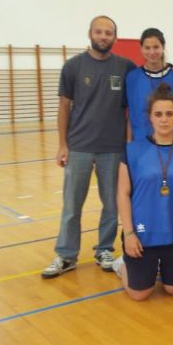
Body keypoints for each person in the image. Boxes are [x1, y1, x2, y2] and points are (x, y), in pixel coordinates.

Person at [41, 16, 136, 279]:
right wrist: (62, 144)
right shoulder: (73, 67)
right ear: (90, 33)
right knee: (72, 205)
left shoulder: (126, 67)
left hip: (113, 148)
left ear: (115, 37)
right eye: (99, 31)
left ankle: (104, 249)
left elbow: (151, 78)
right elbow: (63, 106)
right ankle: (66, 255)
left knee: (111, 205)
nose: (103, 36)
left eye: (108, 32)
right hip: (79, 147)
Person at [113, 84, 173, 300]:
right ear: (150, 117)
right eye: (158, 114)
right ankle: (123, 266)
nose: (164, 119)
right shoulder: (132, 150)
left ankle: (160, 269)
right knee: (140, 295)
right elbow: (123, 194)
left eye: (169, 114)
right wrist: (129, 233)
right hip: (142, 234)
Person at [125, 28, 173, 141]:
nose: (152, 52)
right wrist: (129, 143)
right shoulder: (132, 77)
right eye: (147, 48)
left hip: (170, 143)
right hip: (141, 142)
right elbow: (130, 114)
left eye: (156, 47)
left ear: (163, 47)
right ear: (141, 49)